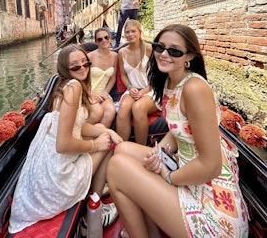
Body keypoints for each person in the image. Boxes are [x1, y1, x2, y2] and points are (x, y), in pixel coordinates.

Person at [107, 24, 249, 238]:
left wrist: (169, 176)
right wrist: (157, 154)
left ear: (189, 56)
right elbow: (177, 132)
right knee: (123, 150)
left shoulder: (194, 89)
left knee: (117, 167)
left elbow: (211, 166)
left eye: (174, 51)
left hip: (212, 205)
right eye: (159, 47)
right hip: (187, 167)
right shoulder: (171, 81)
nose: (164, 55)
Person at [8, 44, 123, 234]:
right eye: (75, 66)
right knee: (106, 145)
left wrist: (107, 132)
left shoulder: (63, 87)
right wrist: (97, 144)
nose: (83, 69)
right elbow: (63, 145)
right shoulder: (74, 87)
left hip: (47, 171)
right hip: (57, 180)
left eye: (85, 64)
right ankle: (92, 212)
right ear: (65, 69)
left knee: (103, 130)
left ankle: (95, 190)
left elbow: (77, 125)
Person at [116, 19, 158, 145]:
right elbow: (123, 76)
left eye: (133, 31)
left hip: (151, 89)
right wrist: (129, 87)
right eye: (127, 32)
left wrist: (143, 92)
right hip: (133, 90)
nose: (130, 34)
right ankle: (121, 146)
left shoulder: (149, 49)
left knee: (138, 108)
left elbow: (157, 77)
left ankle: (140, 149)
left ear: (139, 32)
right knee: (123, 108)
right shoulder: (121, 53)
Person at [87, 28, 118, 128]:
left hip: (104, 93)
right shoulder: (90, 56)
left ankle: (100, 137)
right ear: (96, 42)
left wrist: (105, 93)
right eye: (100, 39)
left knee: (111, 110)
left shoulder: (115, 56)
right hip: (88, 91)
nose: (104, 40)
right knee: (97, 111)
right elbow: (82, 79)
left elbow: (112, 78)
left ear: (110, 38)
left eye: (106, 37)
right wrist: (91, 94)